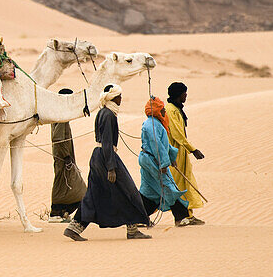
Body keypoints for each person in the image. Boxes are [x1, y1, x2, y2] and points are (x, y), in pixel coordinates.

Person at [64, 84, 152, 241]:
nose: (121, 99)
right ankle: (132, 229)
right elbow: (106, 141)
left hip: (101, 157)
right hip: (106, 158)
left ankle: (74, 228)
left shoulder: (104, 112)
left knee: (94, 194)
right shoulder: (108, 114)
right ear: (113, 97)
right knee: (128, 191)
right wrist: (111, 168)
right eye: (119, 96)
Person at [138, 96, 190, 225]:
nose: (164, 112)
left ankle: (139, 218)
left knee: (149, 191)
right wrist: (164, 163)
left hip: (150, 159)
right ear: (155, 110)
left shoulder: (156, 124)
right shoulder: (152, 126)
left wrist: (172, 157)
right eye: (161, 110)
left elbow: (165, 145)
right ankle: (180, 217)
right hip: (153, 161)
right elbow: (157, 146)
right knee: (167, 186)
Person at [166, 82, 206, 225]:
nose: (186, 95)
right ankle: (142, 215)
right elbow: (177, 134)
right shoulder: (171, 111)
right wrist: (193, 149)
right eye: (184, 92)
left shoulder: (177, 109)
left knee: (184, 183)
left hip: (181, 152)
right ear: (178, 94)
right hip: (174, 152)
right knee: (173, 185)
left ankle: (188, 215)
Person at [46, 88, 85, 222]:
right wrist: (66, 156)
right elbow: (58, 137)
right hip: (63, 158)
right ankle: (55, 213)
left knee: (64, 184)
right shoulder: (61, 115)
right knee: (78, 189)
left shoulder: (59, 113)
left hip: (63, 156)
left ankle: (61, 212)